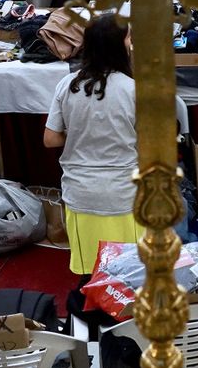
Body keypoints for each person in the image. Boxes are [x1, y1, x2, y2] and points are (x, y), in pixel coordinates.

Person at [43, 15, 148, 275]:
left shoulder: (67, 85)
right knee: (128, 276)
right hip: (124, 194)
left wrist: (79, 132)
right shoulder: (134, 90)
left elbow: (50, 139)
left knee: (90, 273)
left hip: (81, 194)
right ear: (121, 45)